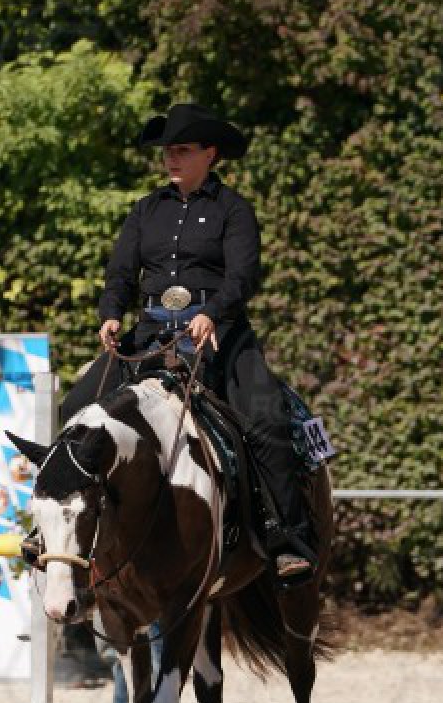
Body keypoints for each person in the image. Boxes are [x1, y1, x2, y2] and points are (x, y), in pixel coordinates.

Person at [60, 104, 317, 584]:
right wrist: (111, 313)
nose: (171, 159)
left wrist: (212, 311)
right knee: (75, 411)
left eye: (182, 150)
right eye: (167, 151)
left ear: (210, 154)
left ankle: (286, 539)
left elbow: (243, 276)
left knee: (267, 420)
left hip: (219, 333)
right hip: (149, 333)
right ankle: (69, 534)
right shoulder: (146, 209)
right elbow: (121, 273)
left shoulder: (233, 209)